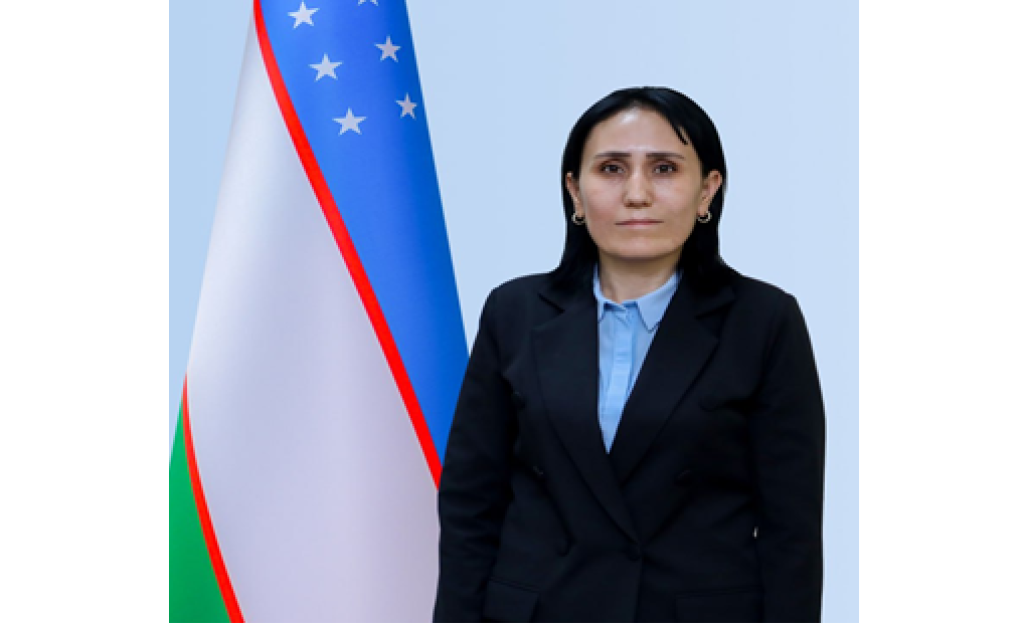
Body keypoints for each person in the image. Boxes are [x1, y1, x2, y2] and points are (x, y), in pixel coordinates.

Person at [433, 86, 826, 623]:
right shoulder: (514, 312)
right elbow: (469, 506)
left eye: (664, 169)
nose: (637, 193)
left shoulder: (764, 320)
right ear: (575, 191)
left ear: (707, 191)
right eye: (611, 169)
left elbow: (791, 531)